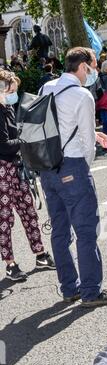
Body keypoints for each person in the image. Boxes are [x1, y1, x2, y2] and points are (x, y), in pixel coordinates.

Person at [39, 47, 107, 307]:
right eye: (93, 66)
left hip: (47, 166)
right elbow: (85, 142)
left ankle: (69, 287)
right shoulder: (82, 94)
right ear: (84, 66)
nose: (94, 72)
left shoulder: (46, 88)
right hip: (72, 166)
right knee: (86, 231)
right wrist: (85, 167)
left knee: (59, 230)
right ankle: (91, 291)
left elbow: (55, 127)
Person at [0, 69, 55, 281]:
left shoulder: (8, 109)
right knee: (5, 219)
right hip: (3, 170)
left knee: (29, 211)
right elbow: (4, 145)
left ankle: (40, 254)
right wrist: (25, 139)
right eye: (10, 90)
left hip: (15, 168)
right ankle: (10, 264)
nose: (14, 94)